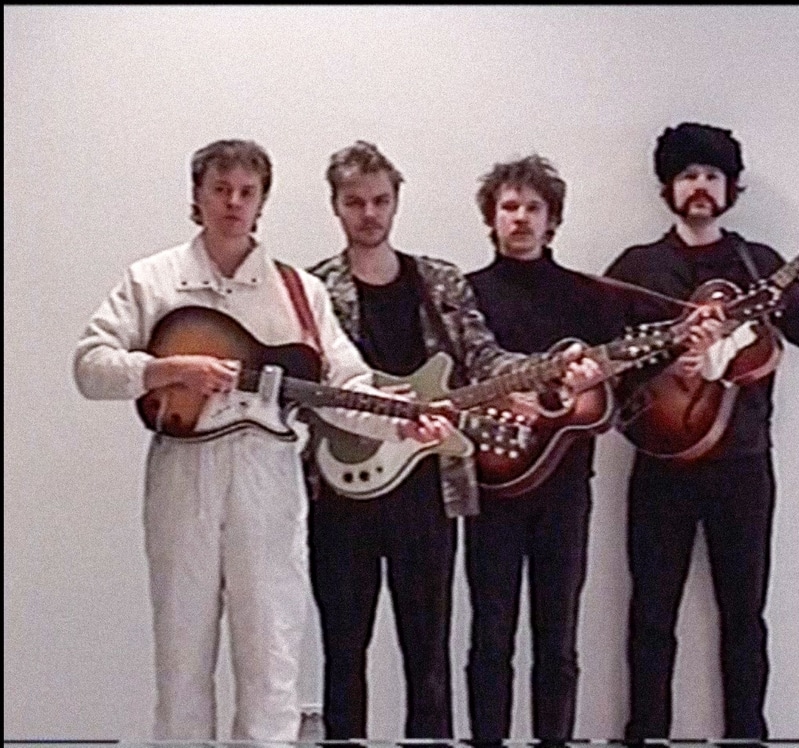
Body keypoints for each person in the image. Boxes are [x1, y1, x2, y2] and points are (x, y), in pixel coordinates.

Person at [72, 139, 444, 741]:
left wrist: (398, 421)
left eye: (247, 192)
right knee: (181, 653)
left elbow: (345, 387)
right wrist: (166, 370)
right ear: (197, 196)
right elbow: (90, 367)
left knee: (272, 653)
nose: (233, 203)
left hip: (268, 474)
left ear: (262, 201)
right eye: (220, 190)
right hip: (183, 470)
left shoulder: (299, 291)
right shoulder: (152, 279)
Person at [303, 141, 603, 740]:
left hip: (426, 489)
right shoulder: (313, 289)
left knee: (429, 661)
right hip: (340, 491)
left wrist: (548, 369)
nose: (369, 214)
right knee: (343, 655)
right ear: (336, 206)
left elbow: (484, 358)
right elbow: (310, 387)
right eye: (355, 202)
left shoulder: (438, 282)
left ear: (396, 201)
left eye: (380, 200)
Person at [604, 122, 799, 739]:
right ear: (668, 187)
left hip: (742, 466)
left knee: (745, 617)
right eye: (688, 175)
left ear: (731, 188)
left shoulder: (759, 266)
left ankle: (747, 734)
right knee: (650, 616)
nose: (700, 186)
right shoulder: (638, 268)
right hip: (661, 465)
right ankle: (646, 734)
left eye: (712, 176)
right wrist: (671, 365)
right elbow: (600, 362)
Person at [462, 154, 721, 743]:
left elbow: (638, 363)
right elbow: (457, 380)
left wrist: (688, 342)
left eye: (534, 208)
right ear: (492, 218)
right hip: (491, 486)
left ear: (552, 220)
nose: (521, 218)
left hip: (565, 489)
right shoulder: (467, 295)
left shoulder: (589, 297)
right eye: (509, 207)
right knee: (489, 638)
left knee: (558, 641)